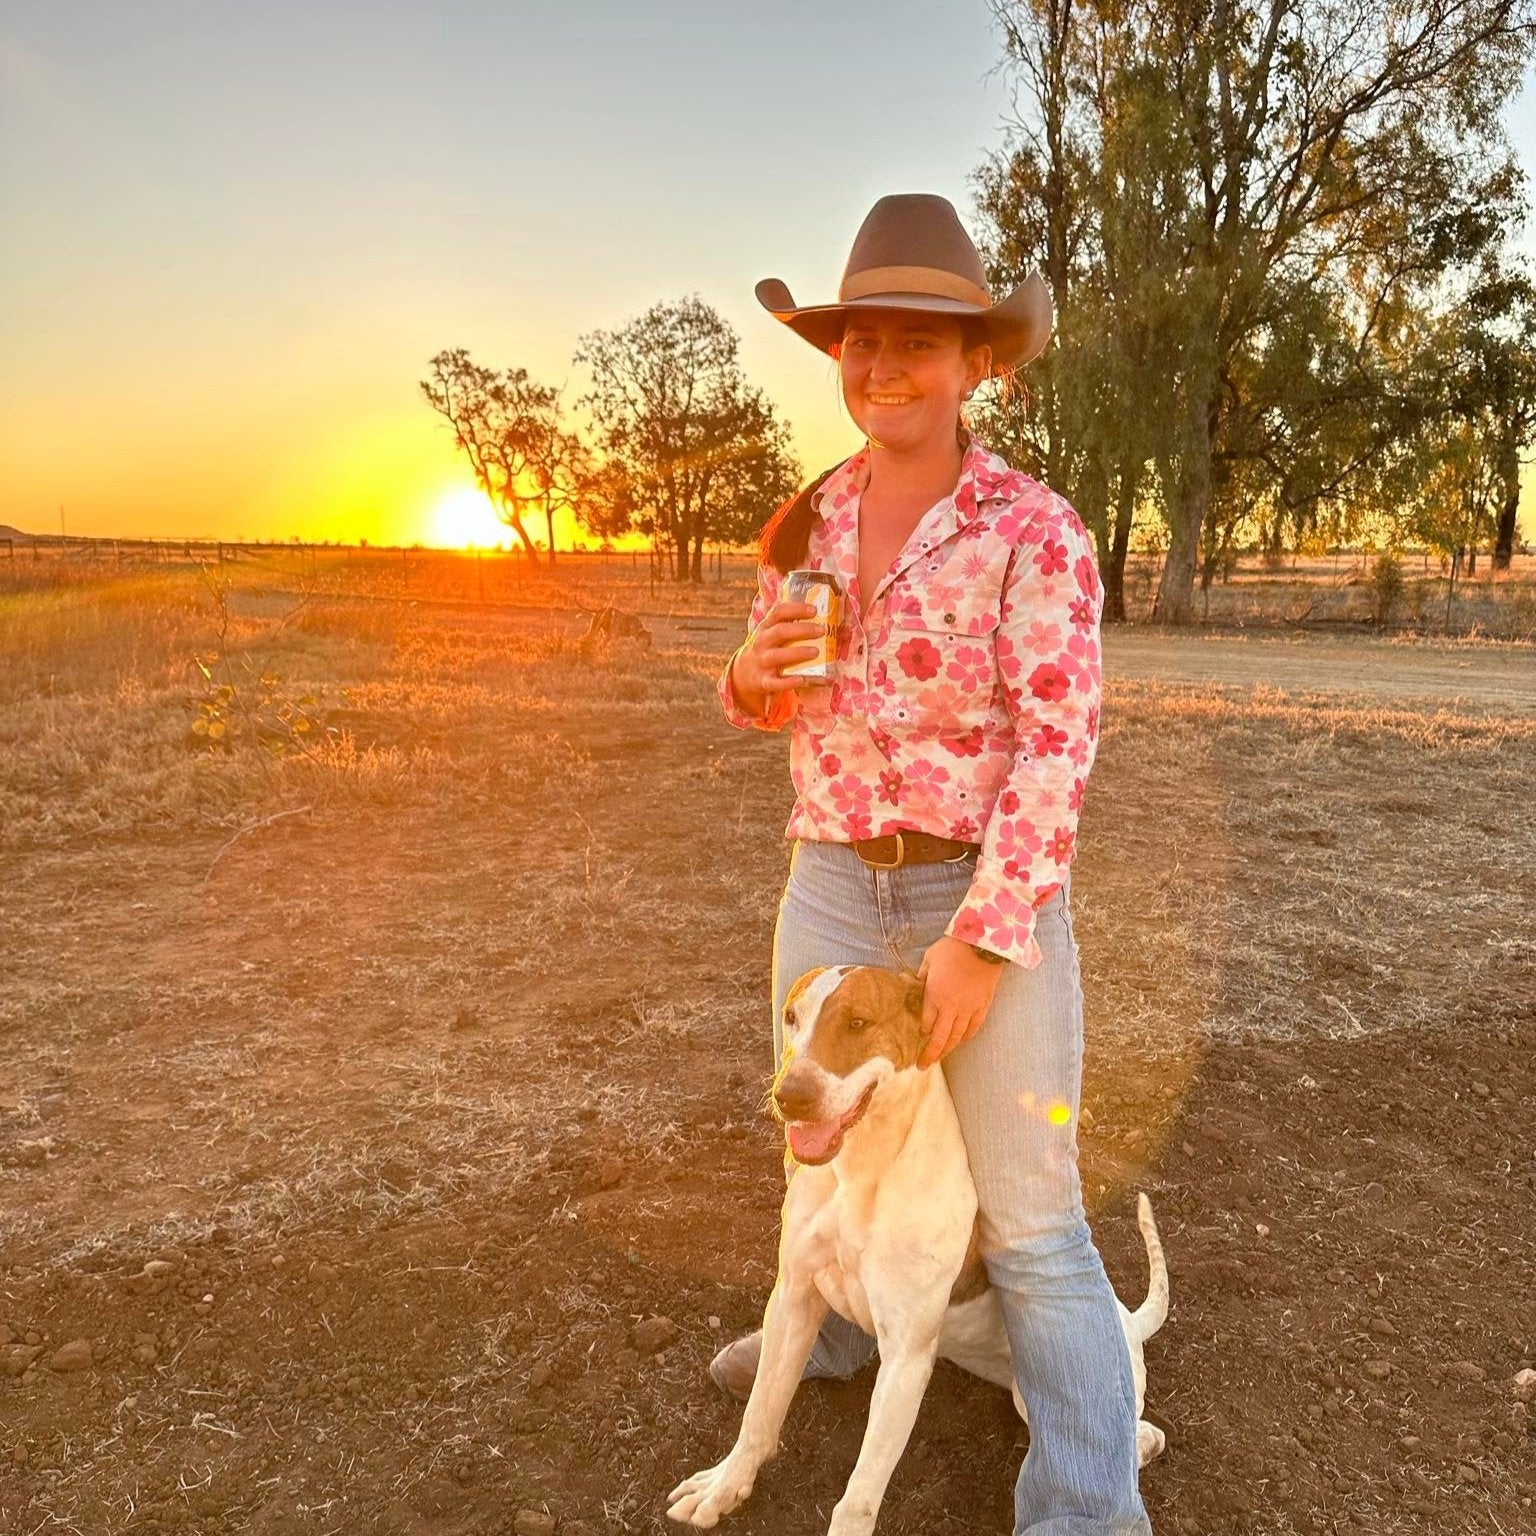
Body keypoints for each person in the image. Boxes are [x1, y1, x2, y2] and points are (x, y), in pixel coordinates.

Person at [712, 193, 1152, 1536]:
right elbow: (773, 695)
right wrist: (744, 677)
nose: (883, 367)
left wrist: (981, 936)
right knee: (819, 1137)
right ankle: (841, 1329)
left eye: (918, 343)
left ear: (978, 364)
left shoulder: (1035, 529)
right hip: (836, 879)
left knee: (1026, 1217)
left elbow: (1060, 745)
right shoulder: (809, 523)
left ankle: (1085, 1510)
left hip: (982, 888)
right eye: (860, 343)